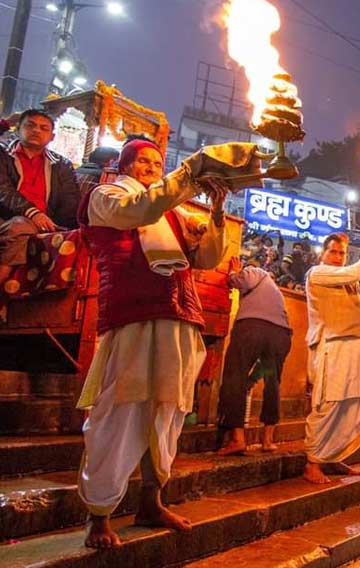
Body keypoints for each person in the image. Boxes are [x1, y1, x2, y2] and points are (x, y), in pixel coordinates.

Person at [75, 137, 241, 548]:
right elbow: (139, 210)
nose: (151, 166)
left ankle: (152, 501)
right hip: (133, 316)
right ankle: (100, 515)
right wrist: (189, 175)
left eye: (157, 162)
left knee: (168, 413)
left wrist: (217, 212)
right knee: (119, 411)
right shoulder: (107, 195)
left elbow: (205, 259)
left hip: (180, 317)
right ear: (126, 164)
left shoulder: (173, 212)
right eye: (143, 160)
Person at [303, 233, 360, 484]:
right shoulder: (317, 273)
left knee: (353, 405)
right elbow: (352, 272)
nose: (338, 257)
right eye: (333, 252)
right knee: (329, 404)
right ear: (323, 253)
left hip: (357, 347)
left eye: (342, 253)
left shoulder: (347, 279)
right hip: (334, 347)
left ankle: (333, 454)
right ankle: (312, 463)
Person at [217, 264, 293, 456]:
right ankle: (267, 440)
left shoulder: (257, 271)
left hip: (252, 327)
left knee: (235, 376)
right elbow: (264, 368)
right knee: (273, 381)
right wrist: (252, 380)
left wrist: (233, 273)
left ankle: (238, 439)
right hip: (281, 333)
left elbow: (244, 280)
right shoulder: (276, 292)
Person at [0, 109, 80, 289]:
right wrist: (32, 213)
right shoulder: (4, 155)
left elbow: (70, 201)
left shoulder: (61, 164)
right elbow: (3, 190)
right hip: (7, 218)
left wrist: (65, 229)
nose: (36, 130)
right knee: (20, 226)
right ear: (17, 128)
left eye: (44, 128)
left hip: (43, 224)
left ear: (52, 137)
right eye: (30, 125)